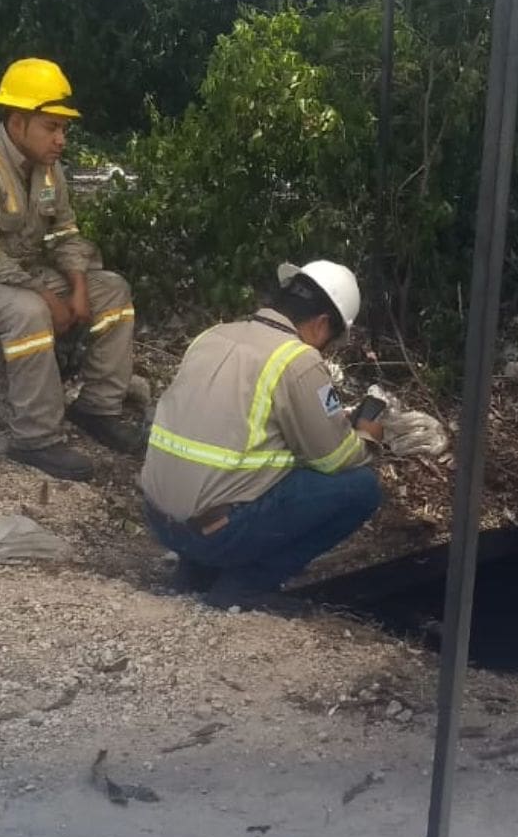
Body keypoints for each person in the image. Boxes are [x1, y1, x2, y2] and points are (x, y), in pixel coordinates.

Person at [0, 57, 145, 482]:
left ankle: (98, 408)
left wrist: (76, 286)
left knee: (112, 290)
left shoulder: (49, 170)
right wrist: (45, 295)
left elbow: (65, 234)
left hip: (11, 272)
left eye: (63, 128)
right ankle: (34, 439)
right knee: (28, 313)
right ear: (17, 123)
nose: (61, 139)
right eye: (51, 127)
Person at [139, 261, 384, 612]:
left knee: (227, 472)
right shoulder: (299, 360)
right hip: (217, 535)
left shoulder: (213, 336)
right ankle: (245, 587)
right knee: (361, 488)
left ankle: (195, 573)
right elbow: (335, 459)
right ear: (321, 325)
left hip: (162, 522)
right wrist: (367, 436)